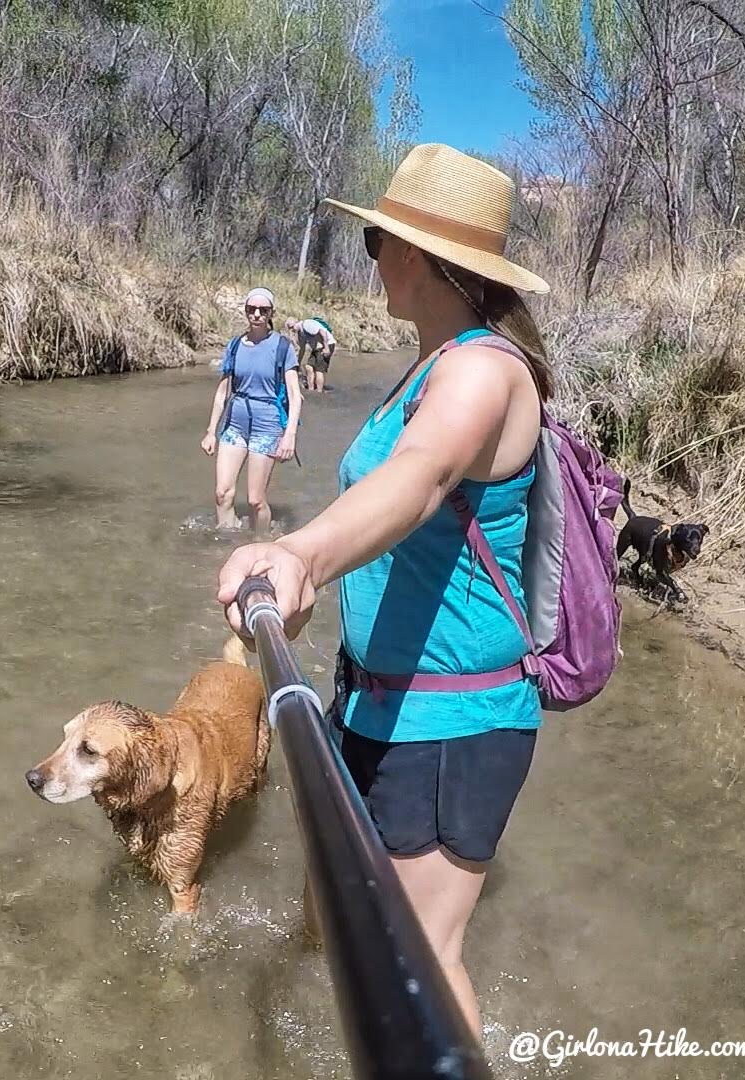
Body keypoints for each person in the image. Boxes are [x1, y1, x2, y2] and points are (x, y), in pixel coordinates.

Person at [215, 144, 554, 1040]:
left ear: (413, 255)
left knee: (420, 963)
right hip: (373, 699)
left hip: (453, 722)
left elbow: (418, 476)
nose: (370, 256)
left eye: (373, 239)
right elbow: (396, 515)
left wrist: (300, 555)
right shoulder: (425, 362)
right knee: (335, 922)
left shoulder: (482, 371)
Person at [200, 288, 304, 531]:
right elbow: (222, 392)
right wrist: (210, 431)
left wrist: (289, 436)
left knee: (255, 500)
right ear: (246, 311)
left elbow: (294, 396)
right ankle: (225, 545)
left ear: (271, 313)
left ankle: (260, 544)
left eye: (263, 310)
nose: (256, 314)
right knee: (222, 493)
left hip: (267, 426)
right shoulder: (235, 345)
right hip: (235, 423)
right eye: (251, 309)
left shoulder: (282, 347)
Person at [290, 315, 337, 393]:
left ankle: (319, 391)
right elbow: (302, 349)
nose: (292, 329)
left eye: (292, 327)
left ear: (296, 322)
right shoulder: (300, 334)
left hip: (327, 344)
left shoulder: (306, 324)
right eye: (290, 329)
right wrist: (298, 362)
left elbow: (322, 331)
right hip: (317, 348)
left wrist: (326, 348)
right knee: (308, 367)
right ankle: (311, 390)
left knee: (319, 370)